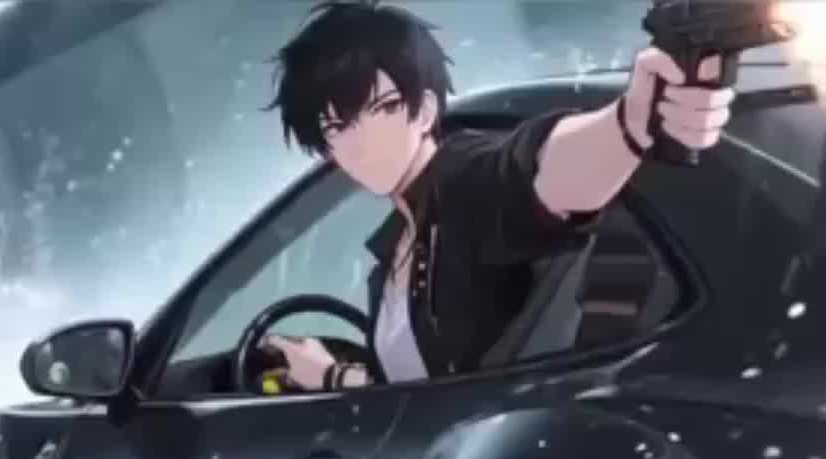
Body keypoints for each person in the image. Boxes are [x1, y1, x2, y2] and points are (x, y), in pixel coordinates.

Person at [262, 1, 737, 390]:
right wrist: (332, 375)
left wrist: (628, 126)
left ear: (424, 109)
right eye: (336, 127)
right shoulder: (391, 257)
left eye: (381, 108)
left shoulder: (461, 179)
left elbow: (530, 173)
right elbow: (422, 397)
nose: (360, 141)